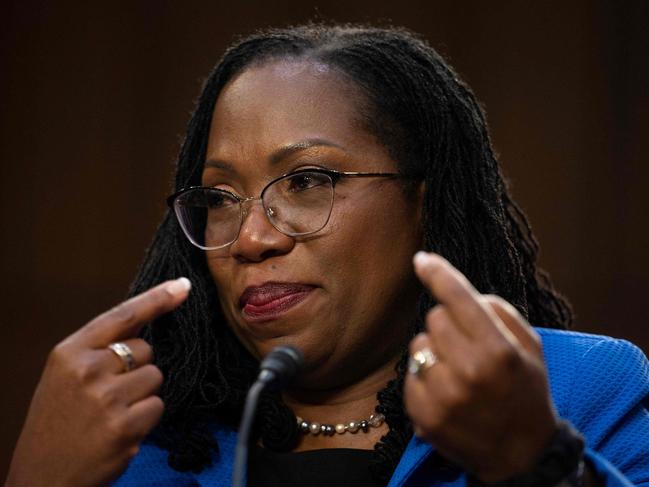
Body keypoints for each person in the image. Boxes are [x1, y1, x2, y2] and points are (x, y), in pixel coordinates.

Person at [6, 24, 649, 487]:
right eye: (221, 197)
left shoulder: (580, 392)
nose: (252, 238)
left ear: (423, 204)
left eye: (308, 182)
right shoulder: (140, 446)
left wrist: (536, 463)